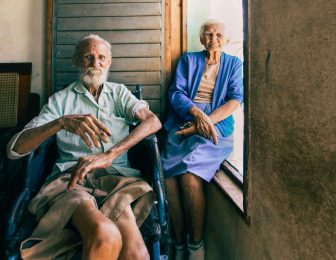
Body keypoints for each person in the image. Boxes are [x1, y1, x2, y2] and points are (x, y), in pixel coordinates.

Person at [7, 34, 162, 260]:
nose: (95, 64)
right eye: (88, 57)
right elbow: (14, 149)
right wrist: (60, 122)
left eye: (101, 58)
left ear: (109, 62)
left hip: (117, 181)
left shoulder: (118, 93)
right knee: (105, 234)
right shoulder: (61, 100)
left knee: (137, 254)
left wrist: (110, 154)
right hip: (71, 182)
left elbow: (153, 121)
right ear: (77, 61)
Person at [161, 19, 243, 260]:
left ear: (226, 40)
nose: (213, 39)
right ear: (201, 38)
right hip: (183, 120)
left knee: (189, 174)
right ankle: (178, 243)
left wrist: (208, 121)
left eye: (218, 35)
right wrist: (196, 114)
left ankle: (196, 245)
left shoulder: (235, 64)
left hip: (216, 127)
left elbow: (235, 99)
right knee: (169, 181)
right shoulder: (189, 60)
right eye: (208, 34)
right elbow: (176, 92)